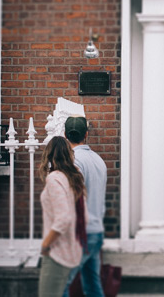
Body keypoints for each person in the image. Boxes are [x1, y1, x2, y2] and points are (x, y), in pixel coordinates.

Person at [62, 116, 107, 297]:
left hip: (81, 232)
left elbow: (72, 197)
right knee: (92, 285)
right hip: (96, 230)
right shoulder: (98, 161)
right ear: (86, 134)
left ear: (65, 134)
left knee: (60, 284)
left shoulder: (74, 162)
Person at [39, 136, 87, 297]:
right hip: (73, 250)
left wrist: (46, 244)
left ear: (49, 154)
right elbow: (84, 216)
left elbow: (63, 219)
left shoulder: (54, 179)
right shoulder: (75, 177)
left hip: (57, 253)